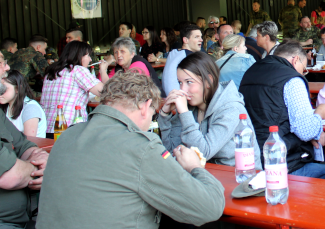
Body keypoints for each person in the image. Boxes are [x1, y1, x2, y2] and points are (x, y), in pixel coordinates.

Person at [37, 72, 225, 229]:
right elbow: (210, 208)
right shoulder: (141, 147)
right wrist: (195, 168)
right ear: (145, 106)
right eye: (152, 114)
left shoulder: (67, 136)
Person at [0, 40, 49, 229]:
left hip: (23, 215)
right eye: (1, 62)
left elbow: (23, 143)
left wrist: (38, 157)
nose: (7, 67)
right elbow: (10, 176)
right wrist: (40, 169)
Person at [239, 41, 325, 179]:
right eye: (304, 68)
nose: (304, 73)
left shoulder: (250, 72)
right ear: (295, 59)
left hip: (252, 160)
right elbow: (306, 131)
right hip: (283, 164)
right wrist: (319, 114)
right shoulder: (292, 79)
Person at [159, 52, 261, 168]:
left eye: (189, 82)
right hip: (207, 174)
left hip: (238, 177)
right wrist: (164, 114)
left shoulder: (231, 108)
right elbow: (172, 150)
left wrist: (184, 113)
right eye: (180, 83)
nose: (183, 90)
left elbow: (203, 153)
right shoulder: (189, 106)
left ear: (208, 81)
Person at [42, 41, 106, 136]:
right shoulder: (77, 70)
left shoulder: (51, 71)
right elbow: (106, 92)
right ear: (79, 56)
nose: (90, 59)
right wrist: (103, 70)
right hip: (68, 128)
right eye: (88, 56)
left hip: (46, 127)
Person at [0, 70, 47, 138]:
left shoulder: (30, 108)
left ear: (17, 88)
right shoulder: (7, 107)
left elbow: (29, 141)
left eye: (3, 88)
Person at [163, 25, 203, 94]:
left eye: (201, 37)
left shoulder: (173, 52)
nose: (201, 40)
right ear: (185, 40)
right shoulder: (189, 56)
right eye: (196, 37)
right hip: (180, 97)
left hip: (168, 96)